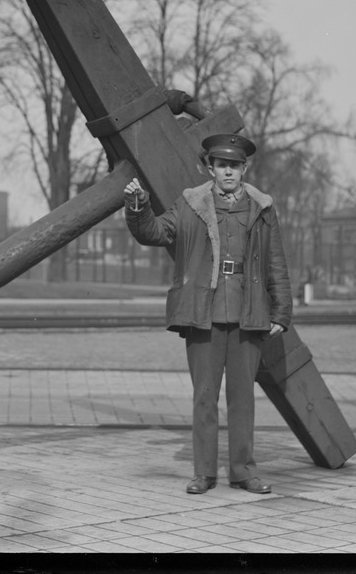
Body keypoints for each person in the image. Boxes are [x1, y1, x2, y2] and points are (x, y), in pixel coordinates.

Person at [124, 133, 293, 496]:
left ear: (244, 168)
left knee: (242, 397)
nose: (229, 171)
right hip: (203, 312)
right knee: (204, 396)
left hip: (249, 312)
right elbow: (154, 232)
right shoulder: (190, 204)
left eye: (235, 165)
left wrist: (281, 310)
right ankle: (204, 473)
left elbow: (276, 261)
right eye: (222, 165)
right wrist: (138, 206)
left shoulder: (262, 208)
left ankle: (244, 471)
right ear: (210, 168)